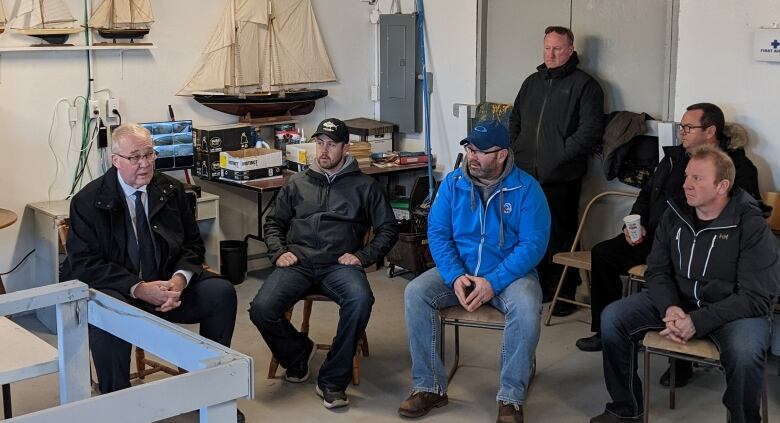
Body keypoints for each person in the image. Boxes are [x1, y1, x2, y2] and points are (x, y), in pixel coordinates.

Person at [576, 103, 763, 386]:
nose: (682, 132)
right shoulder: (674, 157)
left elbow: (747, 214)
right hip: (652, 235)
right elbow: (646, 193)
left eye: (688, 127)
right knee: (603, 254)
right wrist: (632, 224)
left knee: (682, 282)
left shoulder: (736, 166)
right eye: (681, 127)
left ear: (710, 131)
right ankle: (606, 332)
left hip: (697, 246)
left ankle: (681, 362)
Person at [590, 145, 779, 423]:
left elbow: (756, 298)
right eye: (687, 176)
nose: (686, 184)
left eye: (697, 179)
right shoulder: (675, 214)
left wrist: (697, 321)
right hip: (679, 301)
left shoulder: (751, 225)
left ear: (722, 185)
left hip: (733, 312)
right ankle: (626, 408)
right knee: (613, 318)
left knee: (746, 352)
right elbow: (657, 271)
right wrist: (670, 307)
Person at [62, 124, 240, 417]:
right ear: (115, 160)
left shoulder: (172, 191)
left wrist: (179, 281)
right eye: (135, 157)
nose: (144, 164)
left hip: (169, 289)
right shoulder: (88, 201)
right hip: (121, 290)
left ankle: (209, 392)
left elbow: (193, 245)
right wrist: (139, 287)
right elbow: (84, 263)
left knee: (220, 292)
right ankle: (117, 404)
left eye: (149, 154)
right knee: (107, 312)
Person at [398, 121, 550, 423]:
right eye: (469, 149)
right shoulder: (453, 184)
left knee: (527, 304)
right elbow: (438, 233)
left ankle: (511, 397)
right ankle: (428, 387)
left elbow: (533, 245)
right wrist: (454, 275)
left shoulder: (527, 189)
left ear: (503, 154)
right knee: (415, 292)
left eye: (482, 151)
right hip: (461, 271)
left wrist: (493, 282)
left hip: (509, 275)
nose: (473, 156)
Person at [248, 118, 399, 410]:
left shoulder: (365, 186)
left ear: (345, 148)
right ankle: (298, 352)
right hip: (299, 262)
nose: (324, 150)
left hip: (339, 264)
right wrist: (278, 252)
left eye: (331, 144)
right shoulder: (297, 182)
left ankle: (332, 380)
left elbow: (389, 229)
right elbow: (274, 223)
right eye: (320, 143)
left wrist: (363, 256)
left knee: (360, 300)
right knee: (262, 310)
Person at [508, 25, 605, 315]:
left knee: (560, 234)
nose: (551, 54)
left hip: (561, 176)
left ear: (571, 49)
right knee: (527, 233)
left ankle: (563, 293)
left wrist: (559, 156)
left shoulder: (586, 86)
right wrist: (518, 148)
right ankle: (532, 288)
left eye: (557, 48)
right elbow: (515, 120)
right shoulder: (531, 82)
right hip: (525, 174)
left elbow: (590, 131)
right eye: (547, 48)